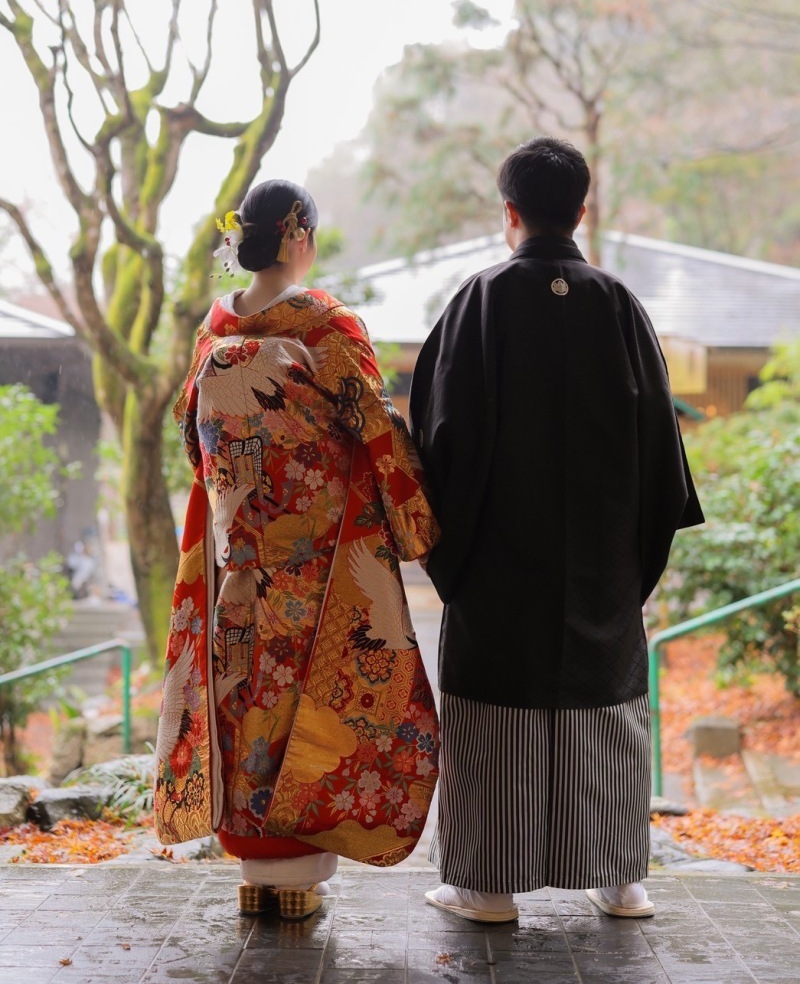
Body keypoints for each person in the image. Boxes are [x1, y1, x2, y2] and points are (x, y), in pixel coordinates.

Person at [409, 137, 703, 924]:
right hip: (602, 560)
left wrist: (453, 555)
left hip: (497, 561)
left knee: (496, 703)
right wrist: (627, 561)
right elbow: (660, 453)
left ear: (510, 212)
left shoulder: (478, 301)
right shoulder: (617, 304)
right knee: (603, 703)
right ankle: (618, 879)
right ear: (581, 210)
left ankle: (487, 886)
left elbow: (440, 437)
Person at [154, 180, 440, 919]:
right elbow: (374, 427)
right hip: (315, 563)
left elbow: (196, 442)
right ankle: (299, 871)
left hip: (237, 557)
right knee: (307, 698)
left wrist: (238, 507)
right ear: (298, 233)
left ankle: (255, 872)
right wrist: (418, 524)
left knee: (242, 697)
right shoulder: (327, 324)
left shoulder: (213, 330)